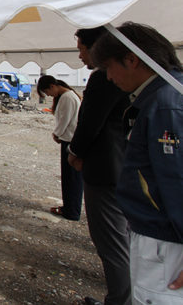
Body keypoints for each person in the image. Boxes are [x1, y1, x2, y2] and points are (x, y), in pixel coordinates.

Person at [91, 22, 183, 302]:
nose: (108, 77)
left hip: (166, 243)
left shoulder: (167, 102)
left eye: (108, 67)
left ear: (131, 59)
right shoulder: (161, 96)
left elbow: (177, 179)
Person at [68, 26, 131, 305]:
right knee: (123, 240)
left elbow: (89, 123)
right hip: (124, 170)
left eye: (82, 48)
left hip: (105, 172)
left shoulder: (104, 79)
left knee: (113, 243)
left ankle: (120, 299)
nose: (80, 55)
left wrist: (75, 151)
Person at [37, 75, 83, 221]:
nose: (49, 95)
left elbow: (65, 119)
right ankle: (69, 207)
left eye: (48, 92)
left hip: (69, 140)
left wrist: (56, 133)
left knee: (72, 179)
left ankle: (72, 211)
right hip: (69, 139)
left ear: (52, 86)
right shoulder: (67, 96)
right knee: (69, 179)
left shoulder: (67, 97)